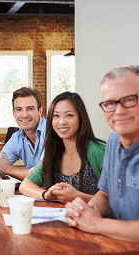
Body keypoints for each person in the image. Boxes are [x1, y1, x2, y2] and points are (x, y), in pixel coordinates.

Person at [66, 66, 139, 242]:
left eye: (129, 100)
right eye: (110, 104)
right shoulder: (114, 141)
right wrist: (84, 212)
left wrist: (96, 224)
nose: (119, 111)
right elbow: (105, 195)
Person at [20, 92, 106, 204]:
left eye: (69, 115)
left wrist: (77, 197)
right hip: (62, 218)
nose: (61, 122)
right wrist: (46, 195)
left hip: (95, 219)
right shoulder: (54, 152)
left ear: (81, 117)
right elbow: (25, 185)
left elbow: (115, 202)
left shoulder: (100, 151)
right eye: (56, 116)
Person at [0, 87, 47, 190]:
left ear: (40, 111)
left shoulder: (52, 132)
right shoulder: (17, 138)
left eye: (30, 109)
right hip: (34, 194)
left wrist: (7, 169)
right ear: (14, 113)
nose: (24, 115)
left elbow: (44, 174)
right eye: (19, 109)